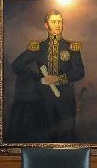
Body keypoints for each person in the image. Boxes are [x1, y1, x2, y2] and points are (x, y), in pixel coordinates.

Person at [7, 9, 84, 142]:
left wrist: (58, 79)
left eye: (59, 21)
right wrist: (37, 79)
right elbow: (17, 65)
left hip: (65, 99)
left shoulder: (71, 47)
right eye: (53, 22)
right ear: (46, 25)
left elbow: (79, 72)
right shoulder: (38, 47)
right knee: (45, 136)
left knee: (67, 136)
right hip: (42, 99)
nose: (57, 24)